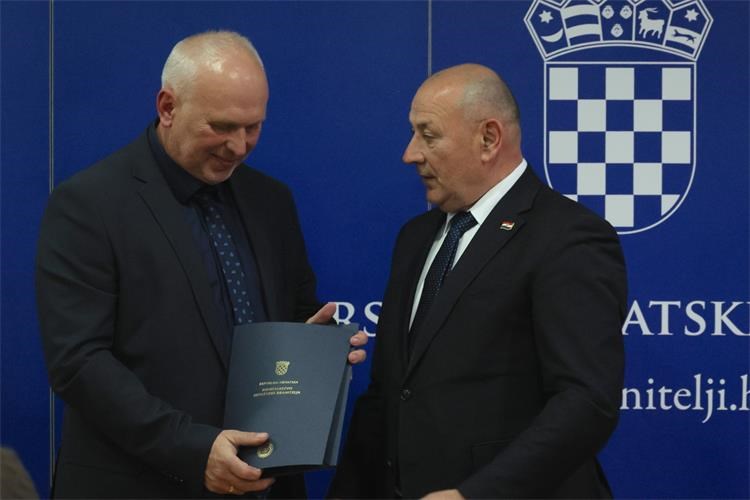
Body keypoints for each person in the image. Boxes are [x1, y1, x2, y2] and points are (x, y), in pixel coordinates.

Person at [35, 31, 367, 499]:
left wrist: (319, 348)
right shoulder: (90, 204)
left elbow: (295, 311)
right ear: (168, 107)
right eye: (222, 126)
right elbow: (79, 363)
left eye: (253, 127)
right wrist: (194, 449)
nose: (239, 146)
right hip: (140, 485)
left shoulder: (271, 200)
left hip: (268, 482)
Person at [329, 64, 627, 499]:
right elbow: (390, 394)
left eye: (428, 135)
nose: (410, 154)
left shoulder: (568, 237)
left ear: (488, 139)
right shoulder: (415, 238)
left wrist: (475, 495)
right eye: (413, 134)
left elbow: (586, 401)